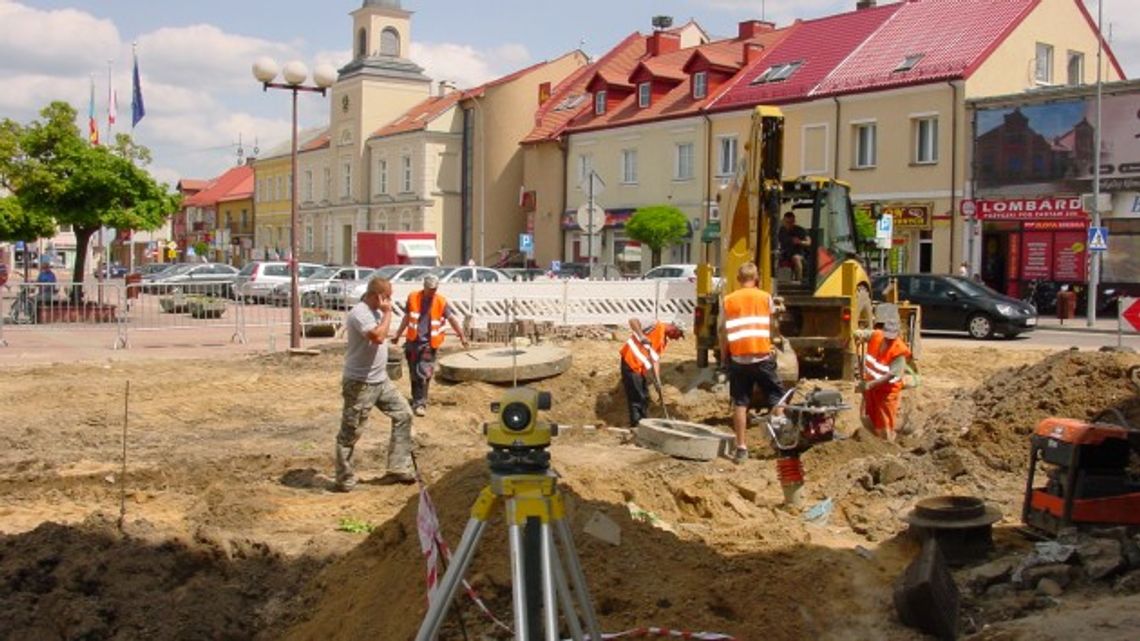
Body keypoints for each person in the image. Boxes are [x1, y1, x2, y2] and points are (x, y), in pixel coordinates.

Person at [334, 276, 415, 492]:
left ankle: (398, 467)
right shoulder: (360, 313)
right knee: (350, 432)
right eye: (387, 296)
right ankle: (344, 477)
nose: (390, 301)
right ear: (378, 295)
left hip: (380, 380)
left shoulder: (376, 312)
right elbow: (378, 337)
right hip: (360, 383)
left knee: (404, 413)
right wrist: (388, 312)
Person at [720, 262, 787, 464]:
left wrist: (725, 356)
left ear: (738, 279)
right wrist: (775, 341)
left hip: (739, 358)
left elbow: (723, 332)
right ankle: (781, 443)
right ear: (756, 278)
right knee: (777, 397)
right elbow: (773, 324)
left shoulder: (729, 300)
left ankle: (741, 447)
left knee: (740, 403)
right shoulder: (765, 297)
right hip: (762, 356)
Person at [393, 273, 469, 417]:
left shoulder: (441, 301)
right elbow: (407, 317)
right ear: (424, 287)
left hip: (429, 343)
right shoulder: (413, 297)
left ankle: (421, 403)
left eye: (435, 289)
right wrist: (398, 334)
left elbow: (452, 319)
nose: (433, 291)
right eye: (430, 289)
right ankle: (417, 399)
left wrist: (461, 335)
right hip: (412, 342)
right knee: (414, 374)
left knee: (424, 373)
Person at [855, 307, 912, 443]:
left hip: (887, 392)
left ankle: (887, 445)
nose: (889, 340)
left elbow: (891, 375)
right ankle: (872, 441)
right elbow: (866, 334)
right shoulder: (877, 336)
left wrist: (870, 384)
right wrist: (859, 334)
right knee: (869, 416)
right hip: (872, 389)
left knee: (884, 423)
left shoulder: (899, 351)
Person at [618, 318, 685, 427]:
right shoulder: (654, 324)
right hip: (630, 362)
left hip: (639, 368)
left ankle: (643, 423)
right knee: (637, 397)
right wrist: (641, 336)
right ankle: (636, 425)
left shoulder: (663, 340)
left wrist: (657, 380)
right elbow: (633, 321)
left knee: (644, 396)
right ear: (674, 328)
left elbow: (655, 359)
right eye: (679, 334)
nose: (677, 338)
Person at [777, 212, 811, 282]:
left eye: (791, 222)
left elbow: (809, 242)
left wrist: (800, 242)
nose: (789, 224)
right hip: (785, 254)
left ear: (794, 221)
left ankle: (798, 281)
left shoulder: (800, 230)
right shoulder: (780, 231)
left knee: (796, 258)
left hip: (799, 254)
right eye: (787, 222)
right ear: (783, 221)